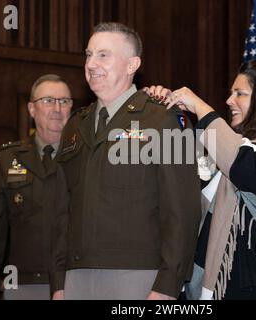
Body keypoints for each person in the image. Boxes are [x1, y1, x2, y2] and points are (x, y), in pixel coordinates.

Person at [144, 59, 256, 300]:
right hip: (230, 286)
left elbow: (245, 166)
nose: (229, 101)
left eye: (240, 93)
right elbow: (188, 168)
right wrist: (160, 108)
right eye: (231, 93)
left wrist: (199, 106)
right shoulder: (226, 152)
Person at [56, 22, 201, 300]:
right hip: (75, 277)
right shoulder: (75, 125)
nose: (91, 63)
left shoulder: (163, 118)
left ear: (132, 64)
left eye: (103, 55)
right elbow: (61, 211)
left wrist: (168, 286)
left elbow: (182, 209)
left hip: (138, 276)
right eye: (88, 54)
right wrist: (57, 282)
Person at [0, 74, 72, 300]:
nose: (57, 108)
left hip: (73, 283)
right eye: (48, 100)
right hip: (22, 283)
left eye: (64, 101)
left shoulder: (84, 158)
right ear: (31, 109)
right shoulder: (7, 159)